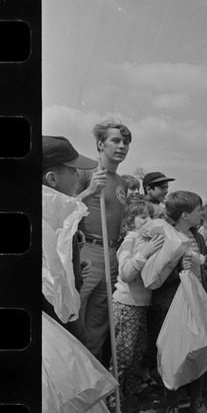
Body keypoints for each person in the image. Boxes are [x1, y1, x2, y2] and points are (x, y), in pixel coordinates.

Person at [149, 191, 207, 413]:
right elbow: (156, 276)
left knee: (198, 348)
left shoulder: (198, 238)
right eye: (199, 210)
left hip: (196, 304)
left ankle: (197, 399)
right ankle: (171, 403)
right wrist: (179, 271)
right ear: (185, 214)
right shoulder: (167, 237)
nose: (203, 213)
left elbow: (201, 272)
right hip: (170, 305)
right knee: (173, 353)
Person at [73, 119, 131, 363]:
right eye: (116, 140)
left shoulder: (122, 183)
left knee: (99, 323)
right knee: (76, 318)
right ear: (100, 143)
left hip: (112, 255)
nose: (122, 146)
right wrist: (88, 192)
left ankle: (93, 380)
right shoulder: (85, 172)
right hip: (87, 250)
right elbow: (63, 207)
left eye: (126, 142)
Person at [41, 135, 98, 345]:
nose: (78, 175)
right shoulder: (54, 214)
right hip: (59, 319)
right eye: (72, 170)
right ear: (52, 178)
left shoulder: (56, 210)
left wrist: (74, 265)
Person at [111, 199, 165, 406]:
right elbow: (125, 273)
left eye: (151, 216)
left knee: (137, 352)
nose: (149, 220)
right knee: (123, 355)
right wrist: (146, 252)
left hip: (142, 305)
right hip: (127, 305)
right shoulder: (130, 241)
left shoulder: (147, 239)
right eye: (143, 216)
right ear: (130, 221)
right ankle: (112, 399)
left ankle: (132, 391)